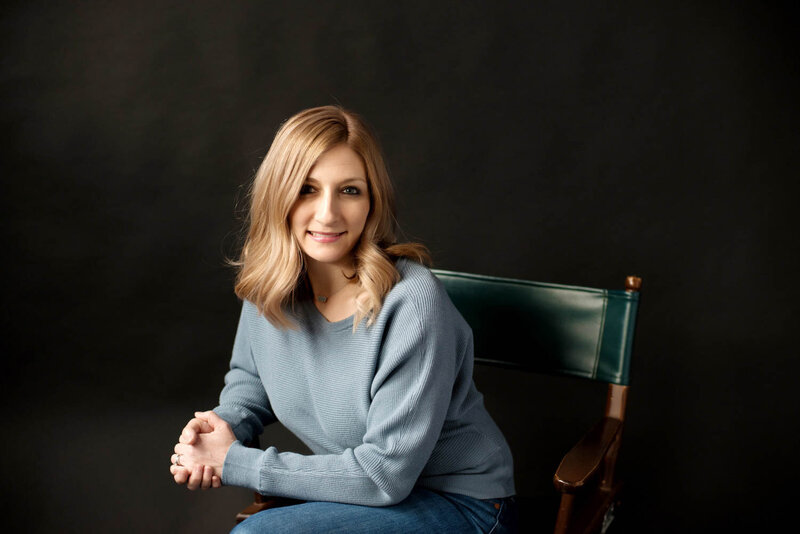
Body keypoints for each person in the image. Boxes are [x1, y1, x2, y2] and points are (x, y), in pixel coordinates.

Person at [169, 105, 517, 533]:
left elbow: (384, 474)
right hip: (363, 496)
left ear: (372, 202)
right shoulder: (270, 287)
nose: (328, 213)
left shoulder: (412, 301)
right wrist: (217, 431)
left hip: (460, 504)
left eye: (350, 191)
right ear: (279, 196)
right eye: (307, 189)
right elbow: (251, 383)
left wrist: (234, 461)